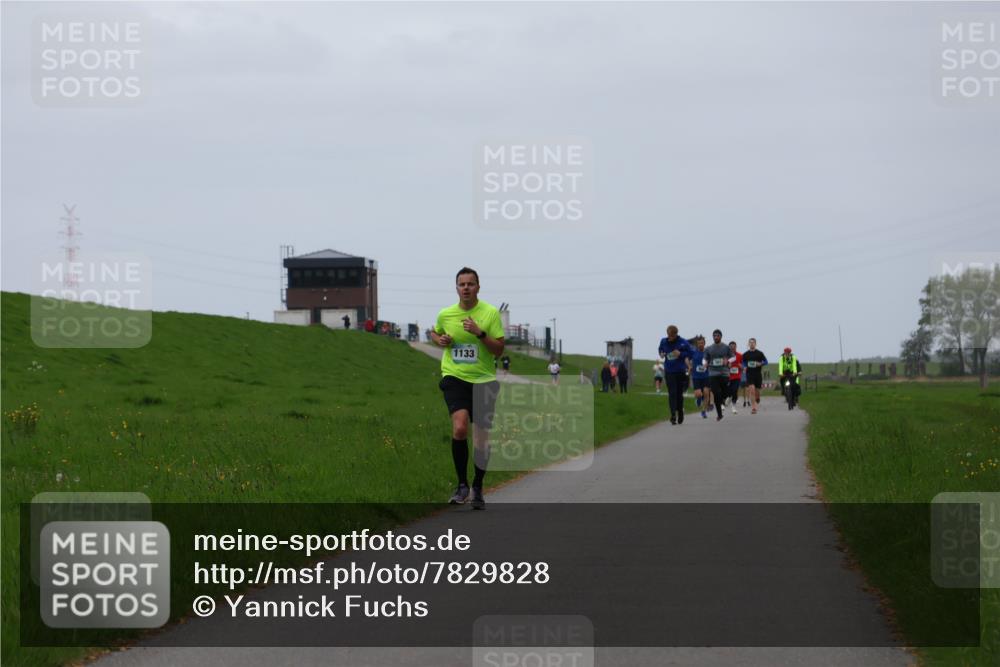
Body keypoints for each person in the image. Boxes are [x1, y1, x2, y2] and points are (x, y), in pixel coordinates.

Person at [429, 267, 504, 510]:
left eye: (470, 284)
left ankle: (478, 487)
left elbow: (498, 350)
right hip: (455, 376)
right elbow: (435, 332)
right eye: (462, 284)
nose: (466, 288)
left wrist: (480, 333)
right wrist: (440, 340)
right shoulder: (446, 314)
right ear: (456, 287)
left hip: (483, 380)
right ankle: (461, 486)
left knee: (481, 438)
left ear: (478, 287)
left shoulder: (490, 313)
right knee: (460, 427)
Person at [658, 325, 694, 424]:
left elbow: (691, 353)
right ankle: (673, 414)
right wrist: (661, 353)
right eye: (668, 335)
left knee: (679, 394)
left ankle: (680, 412)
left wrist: (680, 354)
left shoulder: (683, 342)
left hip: (680, 371)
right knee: (672, 393)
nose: (669, 337)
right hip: (669, 371)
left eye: (671, 336)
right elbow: (660, 349)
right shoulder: (664, 341)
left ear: (675, 334)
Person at [703, 329, 731, 421]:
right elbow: (704, 358)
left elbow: (733, 357)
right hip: (713, 372)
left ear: (720, 336)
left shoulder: (726, 347)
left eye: (717, 336)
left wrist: (728, 361)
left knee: (724, 392)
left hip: (724, 372)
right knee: (715, 392)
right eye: (714, 336)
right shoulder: (709, 348)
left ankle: (724, 399)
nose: (716, 337)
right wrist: (704, 363)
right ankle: (719, 414)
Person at [742, 338, 768, 414]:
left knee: (757, 391)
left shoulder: (760, 353)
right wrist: (744, 367)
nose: (751, 344)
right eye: (750, 343)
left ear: (755, 344)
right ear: (748, 344)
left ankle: (758, 397)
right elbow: (743, 362)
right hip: (749, 374)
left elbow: (766, 361)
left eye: (753, 343)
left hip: (757, 375)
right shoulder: (746, 354)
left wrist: (761, 364)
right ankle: (754, 408)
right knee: (752, 390)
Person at [689, 336, 712, 418]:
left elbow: (711, 361)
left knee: (706, 394)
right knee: (699, 394)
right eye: (699, 343)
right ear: (696, 344)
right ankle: (698, 399)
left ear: (704, 343)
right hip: (696, 377)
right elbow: (687, 359)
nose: (700, 345)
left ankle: (703, 411)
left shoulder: (708, 352)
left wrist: (708, 364)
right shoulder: (693, 352)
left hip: (706, 376)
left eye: (702, 343)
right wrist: (689, 366)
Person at [727, 341, 743, 415]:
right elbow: (723, 365)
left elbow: (743, 366)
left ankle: (733, 406)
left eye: (734, 347)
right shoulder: (726, 356)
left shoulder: (739, 355)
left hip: (737, 376)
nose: (732, 349)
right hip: (728, 376)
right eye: (731, 347)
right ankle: (727, 400)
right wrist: (727, 366)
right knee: (729, 391)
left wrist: (741, 366)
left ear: (736, 347)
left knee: (735, 390)